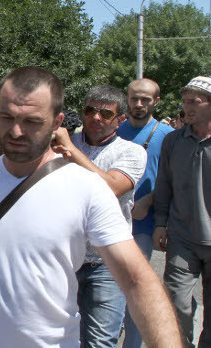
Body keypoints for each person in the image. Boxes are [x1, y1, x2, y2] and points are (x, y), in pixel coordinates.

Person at [0, 66, 181, 347]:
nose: (15, 131)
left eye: (32, 121)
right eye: (6, 117)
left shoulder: (87, 187)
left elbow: (137, 281)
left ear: (56, 122)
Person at [50, 85, 147, 347]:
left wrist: (70, 148)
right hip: (64, 259)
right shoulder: (57, 146)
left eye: (105, 113)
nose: (96, 117)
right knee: (57, 337)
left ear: (120, 120)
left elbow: (112, 188)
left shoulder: (132, 152)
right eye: (90, 110)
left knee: (100, 342)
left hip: (107, 264)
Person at [153, 76, 211, 347]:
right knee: (176, 304)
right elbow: (163, 185)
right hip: (181, 238)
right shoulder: (174, 140)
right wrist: (160, 223)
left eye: (194, 102)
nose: (187, 107)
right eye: (185, 102)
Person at [116, 79, 174, 348]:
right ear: (127, 98)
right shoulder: (114, 129)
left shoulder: (166, 136)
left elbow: (169, 178)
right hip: (111, 221)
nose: (139, 104)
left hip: (142, 223)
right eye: (134, 98)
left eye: (146, 100)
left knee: (135, 288)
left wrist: (149, 201)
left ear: (156, 101)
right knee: (109, 286)